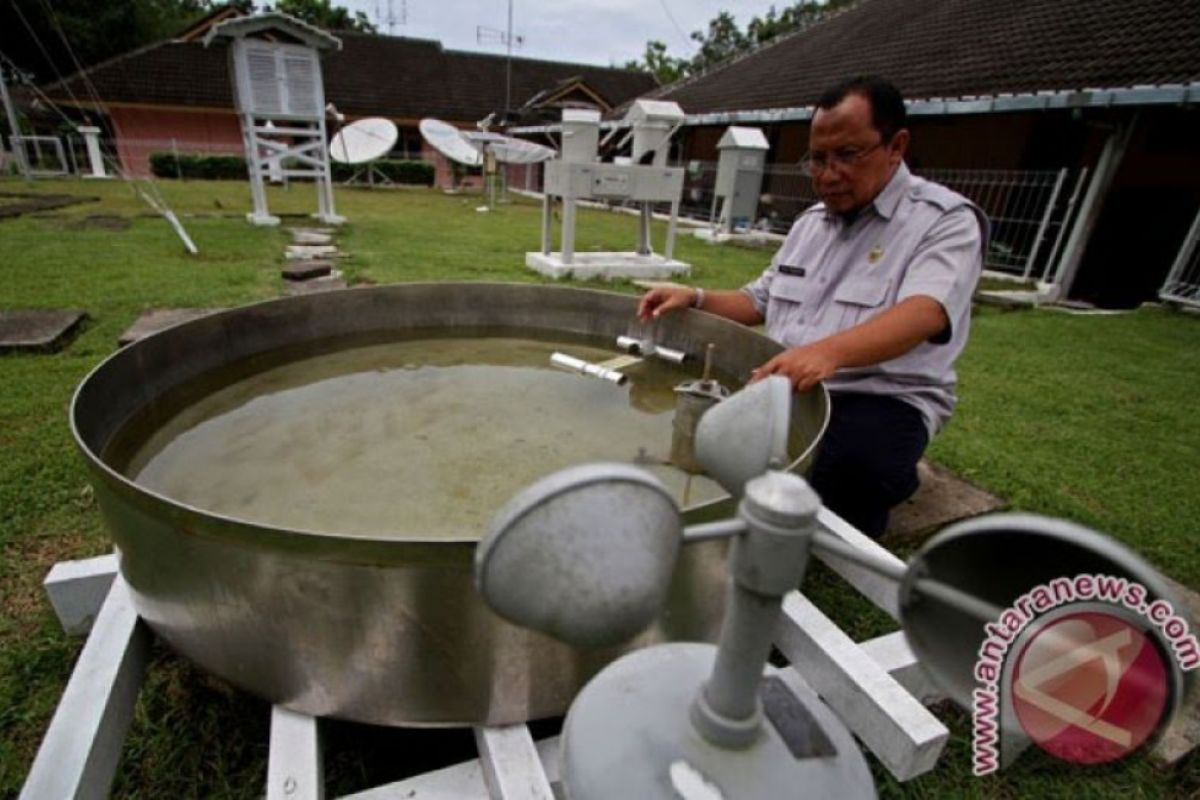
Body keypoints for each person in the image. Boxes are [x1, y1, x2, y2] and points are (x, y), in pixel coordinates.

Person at [638, 75, 986, 538]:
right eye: (818, 159)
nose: (828, 173)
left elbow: (925, 312)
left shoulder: (944, 222)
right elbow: (759, 298)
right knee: (710, 439)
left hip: (879, 397)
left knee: (844, 472)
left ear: (896, 146)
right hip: (788, 388)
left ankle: (894, 482)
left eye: (847, 155)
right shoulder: (810, 224)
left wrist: (825, 354)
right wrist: (696, 298)